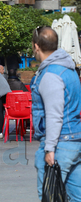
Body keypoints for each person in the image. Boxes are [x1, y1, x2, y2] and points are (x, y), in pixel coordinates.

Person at [32, 27, 81, 201]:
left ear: (36, 46)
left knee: (50, 195)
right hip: (75, 141)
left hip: (60, 144)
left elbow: (54, 115)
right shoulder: (69, 69)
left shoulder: (51, 74)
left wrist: (49, 148)